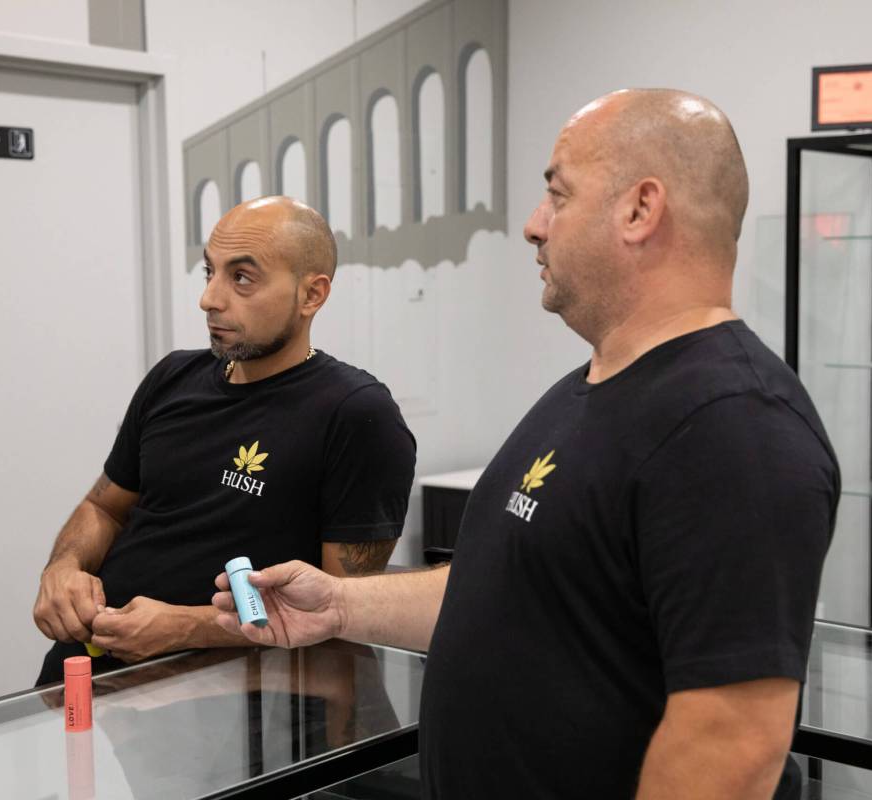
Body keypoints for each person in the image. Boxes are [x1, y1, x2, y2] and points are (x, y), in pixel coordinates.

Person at [213, 90, 840, 800]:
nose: (534, 226)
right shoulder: (592, 390)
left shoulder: (734, 426)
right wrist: (341, 605)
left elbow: (732, 747)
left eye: (557, 194)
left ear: (640, 209)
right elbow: (511, 584)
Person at [33, 196, 416, 685]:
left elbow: (342, 613)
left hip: (228, 705)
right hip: (86, 671)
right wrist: (63, 568)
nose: (209, 298)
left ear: (311, 295)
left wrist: (184, 628)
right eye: (209, 272)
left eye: (241, 277)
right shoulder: (174, 376)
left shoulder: (356, 413)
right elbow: (104, 507)